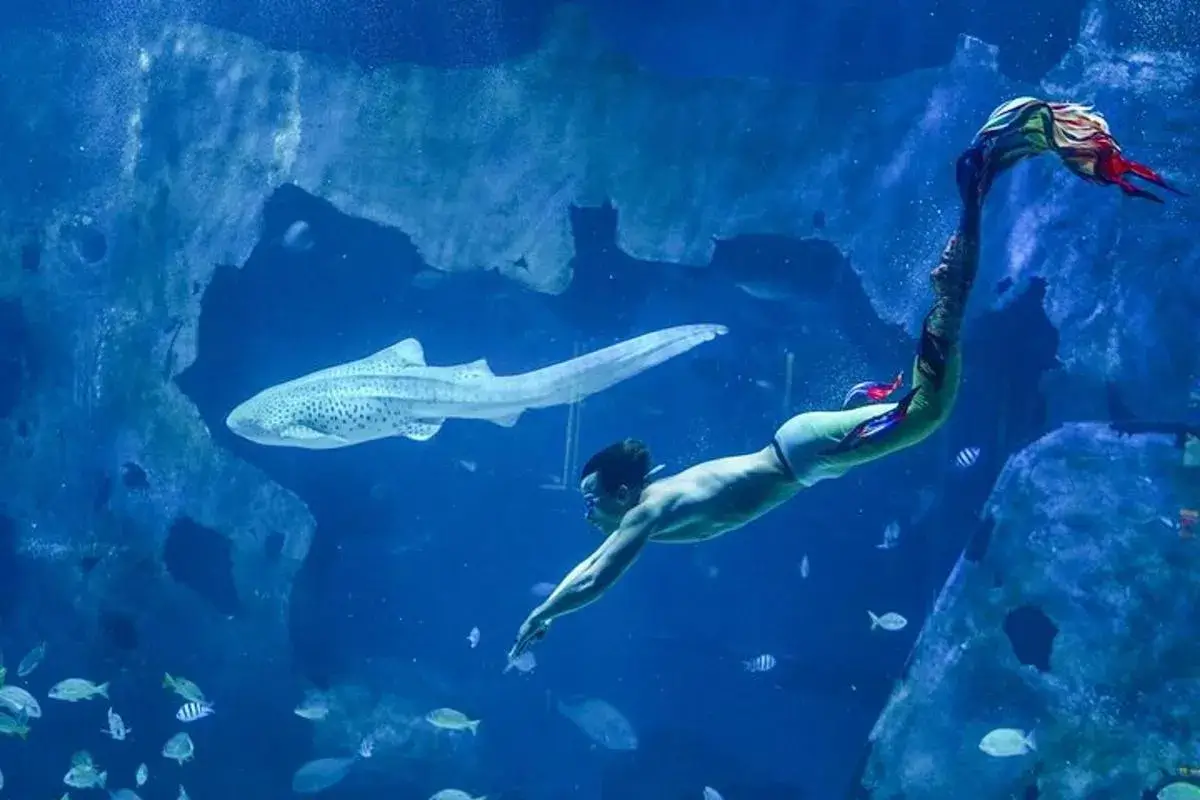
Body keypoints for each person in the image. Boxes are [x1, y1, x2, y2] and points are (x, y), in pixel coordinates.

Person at [508, 96, 1184, 661]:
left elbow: (597, 576)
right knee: (923, 407)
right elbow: (595, 562)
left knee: (929, 411)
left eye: (593, 497)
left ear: (623, 493)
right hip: (803, 450)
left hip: (802, 454)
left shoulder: (647, 512)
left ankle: (954, 271)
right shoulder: (651, 510)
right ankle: (953, 265)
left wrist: (545, 612)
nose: (588, 510)